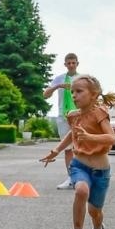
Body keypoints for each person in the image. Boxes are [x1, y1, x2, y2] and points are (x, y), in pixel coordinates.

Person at [40, 74, 115, 229]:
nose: (74, 95)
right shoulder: (73, 115)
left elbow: (111, 138)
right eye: (72, 92)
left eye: (79, 91)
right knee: (81, 190)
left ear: (93, 94)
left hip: (100, 171)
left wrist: (90, 137)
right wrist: (56, 151)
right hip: (79, 164)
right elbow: (71, 135)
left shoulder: (100, 113)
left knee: (95, 212)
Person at [42, 53, 80, 189]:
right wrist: (57, 87)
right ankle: (71, 177)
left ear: (77, 64)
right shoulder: (59, 79)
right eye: (68, 63)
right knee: (68, 148)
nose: (71, 65)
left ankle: (82, 177)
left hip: (79, 116)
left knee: (81, 148)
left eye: (73, 63)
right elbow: (45, 95)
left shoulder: (82, 78)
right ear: (65, 64)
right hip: (63, 116)